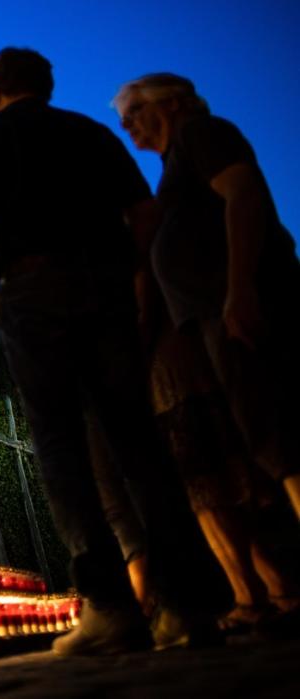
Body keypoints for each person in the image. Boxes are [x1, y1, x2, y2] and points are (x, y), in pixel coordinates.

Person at [0, 47, 214, 656]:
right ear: (47, 85)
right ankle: (187, 605)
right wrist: (132, 275)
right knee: (137, 440)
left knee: (61, 445)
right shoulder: (89, 134)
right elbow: (144, 214)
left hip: (31, 291)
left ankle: (112, 607)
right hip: (105, 290)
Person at [113, 74, 300, 628]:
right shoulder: (177, 161)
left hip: (238, 305)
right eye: (123, 120)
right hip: (212, 315)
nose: (127, 128)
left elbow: (243, 195)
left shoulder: (201, 134)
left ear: (169, 103)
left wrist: (239, 288)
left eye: (134, 114)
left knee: (280, 436)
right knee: (267, 439)